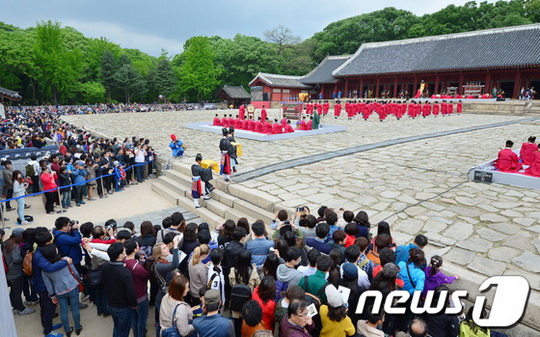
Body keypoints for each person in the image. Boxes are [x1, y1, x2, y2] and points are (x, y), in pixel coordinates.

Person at [41, 244, 83, 337]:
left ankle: (67, 330)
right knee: (75, 308)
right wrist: (79, 279)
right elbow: (75, 273)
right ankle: (77, 328)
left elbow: (48, 284)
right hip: (72, 287)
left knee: (63, 311)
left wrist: (52, 295)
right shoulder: (65, 260)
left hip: (59, 291)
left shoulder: (45, 269)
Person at [102, 242, 138, 337]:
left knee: (117, 326)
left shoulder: (105, 266)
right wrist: (134, 304)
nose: (126, 254)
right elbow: (130, 292)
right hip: (123, 307)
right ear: (119, 255)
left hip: (110, 303)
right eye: (124, 252)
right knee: (124, 331)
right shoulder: (125, 272)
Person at [2, 227, 35, 315]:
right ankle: (21, 309)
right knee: (17, 292)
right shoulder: (15, 245)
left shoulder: (6, 243)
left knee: (13, 291)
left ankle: (15, 307)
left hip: (9, 271)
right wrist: (24, 257)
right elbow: (16, 259)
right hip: (16, 272)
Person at [123, 239, 149, 337]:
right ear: (135, 250)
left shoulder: (123, 262)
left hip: (129, 297)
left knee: (134, 318)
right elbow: (145, 275)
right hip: (140, 297)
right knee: (142, 319)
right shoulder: (136, 267)